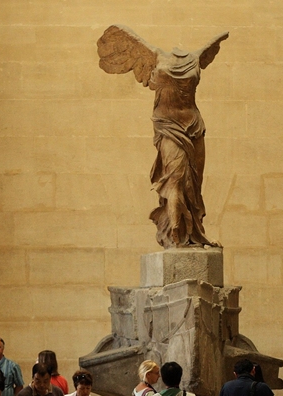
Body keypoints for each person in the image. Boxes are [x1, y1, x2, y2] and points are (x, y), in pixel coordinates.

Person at [97, 25, 228, 248]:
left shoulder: (189, 58)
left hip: (193, 126)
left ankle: (194, 234)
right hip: (170, 126)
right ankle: (176, 235)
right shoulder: (159, 57)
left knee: (193, 186)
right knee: (174, 182)